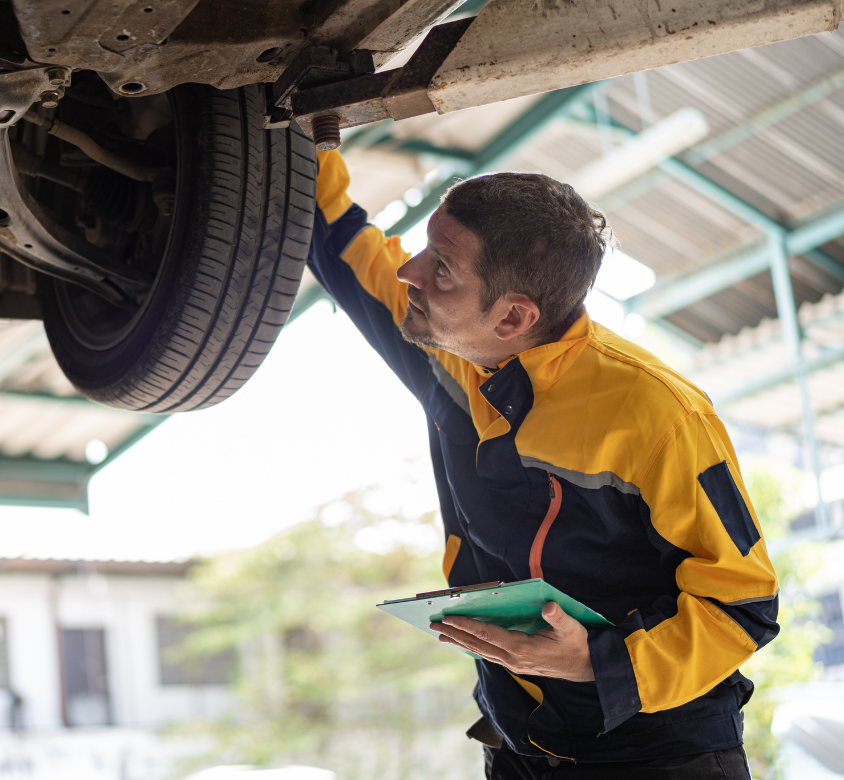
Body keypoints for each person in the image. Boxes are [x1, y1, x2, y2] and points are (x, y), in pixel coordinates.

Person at [306, 150, 780, 779]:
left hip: (658, 756)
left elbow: (742, 606)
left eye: (441, 269)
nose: (410, 273)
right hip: (519, 747)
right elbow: (336, 237)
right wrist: (296, 133)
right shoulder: (454, 346)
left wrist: (598, 662)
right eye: (426, 249)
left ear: (513, 317)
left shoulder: (655, 414)